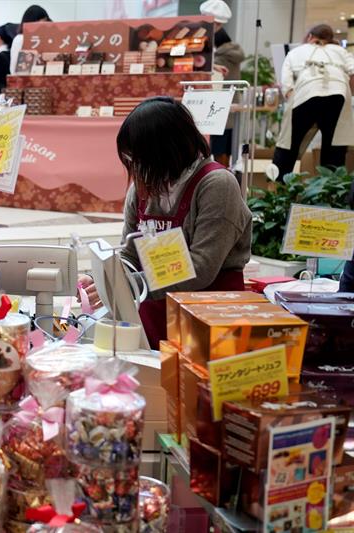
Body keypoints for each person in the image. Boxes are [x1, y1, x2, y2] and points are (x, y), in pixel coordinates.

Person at [79, 97, 252, 347]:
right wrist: (106, 279)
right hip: (154, 316)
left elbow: (200, 268)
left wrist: (130, 284)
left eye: (140, 157)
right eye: (131, 158)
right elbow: (130, 253)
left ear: (166, 150)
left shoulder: (216, 185)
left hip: (210, 318)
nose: (136, 167)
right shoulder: (143, 186)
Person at [271, 24, 354, 181]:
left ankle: (278, 187)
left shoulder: (296, 51)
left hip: (305, 96)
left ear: (310, 36)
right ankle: (331, 191)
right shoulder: (341, 51)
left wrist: (292, 98)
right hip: (338, 97)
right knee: (334, 148)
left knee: (289, 146)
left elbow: (286, 84)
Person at [201, 0, 244, 167]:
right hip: (226, 107)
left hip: (218, 107)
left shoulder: (221, 55)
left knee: (219, 150)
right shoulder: (229, 53)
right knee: (224, 149)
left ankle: (222, 176)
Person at [9, 5, 51, 75]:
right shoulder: (20, 39)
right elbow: (15, 68)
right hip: (25, 81)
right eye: (42, 22)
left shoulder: (44, 39)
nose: (44, 26)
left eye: (46, 22)